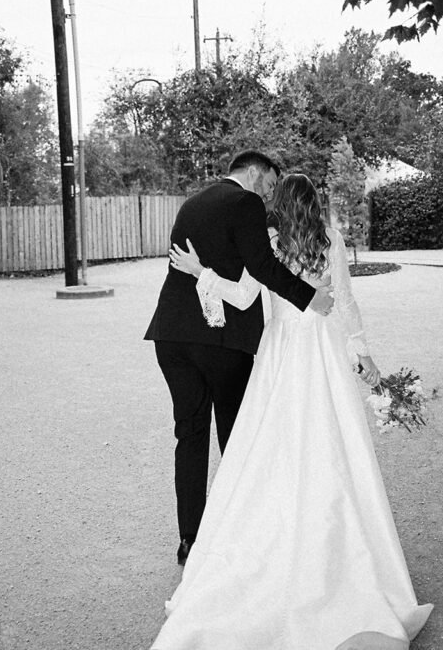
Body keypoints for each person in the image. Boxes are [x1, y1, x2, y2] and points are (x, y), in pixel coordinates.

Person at [151, 174, 432, 650]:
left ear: (278, 204)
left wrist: (200, 271)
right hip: (322, 350)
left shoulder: (269, 241)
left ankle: (269, 539)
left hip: (280, 352)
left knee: (270, 447)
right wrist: (363, 355)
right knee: (332, 444)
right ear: (316, 204)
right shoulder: (332, 240)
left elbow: (241, 296)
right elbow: (344, 301)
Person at [144, 152, 335, 567]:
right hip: (222, 341)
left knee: (190, 436)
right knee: (236, 437)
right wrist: (309, 298)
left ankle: (189, 540)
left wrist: (203, 273)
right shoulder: (244, 202)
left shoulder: (192, 202)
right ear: (254, 172)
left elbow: (191, 264)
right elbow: (263, 267)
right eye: (269, 182)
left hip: (172, 335)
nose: (269, 192)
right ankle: (234, 533)